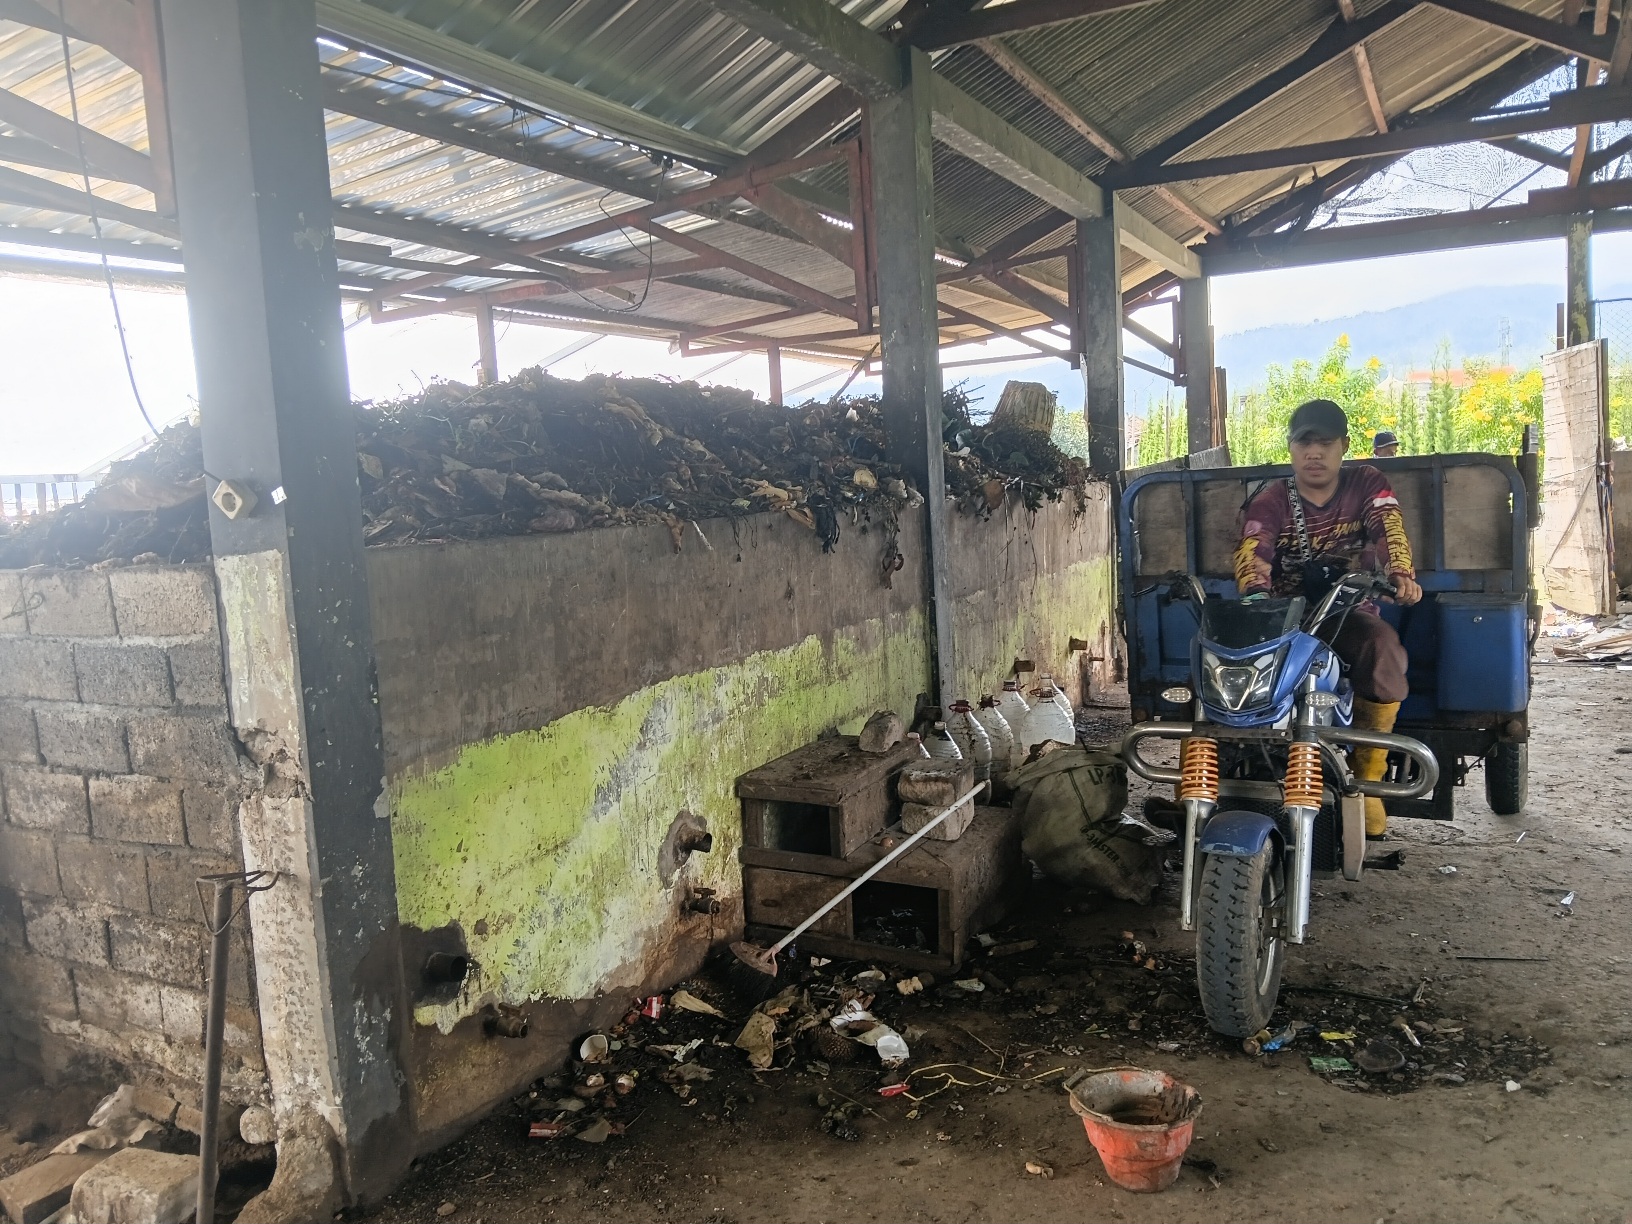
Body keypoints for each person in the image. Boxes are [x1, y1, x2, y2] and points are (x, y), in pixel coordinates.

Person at [1234, 399, 1423, 837]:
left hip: (1346, 611)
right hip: (1282, 619)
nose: (1314, 453)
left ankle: (1368, 782)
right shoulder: (1271, 498)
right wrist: (1257, 592)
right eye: (1305, 443)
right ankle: (1206, 784)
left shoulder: (1367, 482)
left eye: (1325, 443)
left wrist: (1400, 573)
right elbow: (1253, 545)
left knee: (1383, 649)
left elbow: (1388, 524)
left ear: (1345, 446)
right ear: (1291, 448)